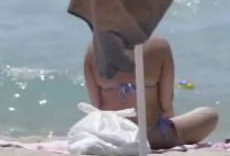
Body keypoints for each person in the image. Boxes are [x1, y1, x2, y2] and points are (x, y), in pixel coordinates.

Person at [83, 36, 219, 149]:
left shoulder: (93, 48)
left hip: (110, 135)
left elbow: (96, 105)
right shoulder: (159, 45)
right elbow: (166, 105)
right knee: (210, 115)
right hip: (149, 136)